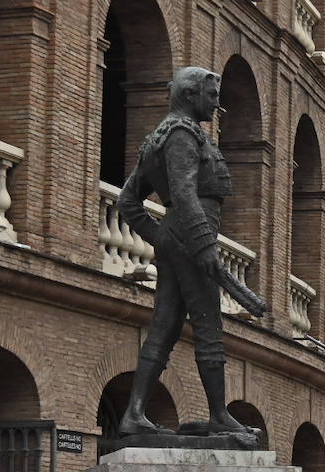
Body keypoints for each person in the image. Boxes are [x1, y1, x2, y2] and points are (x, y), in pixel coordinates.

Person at [116, 66, 262, 438]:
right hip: (192, 236)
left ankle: (134, 413)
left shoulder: (159, 138)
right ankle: (217, 414)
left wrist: (160, 237)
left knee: (164, 325)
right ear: (190, 95)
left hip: (178, 237)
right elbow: (182, 193)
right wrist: (202, 242)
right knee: (209, 323)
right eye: (211, 95)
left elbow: (129, 201)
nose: (216, 103)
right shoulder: (181, 135)